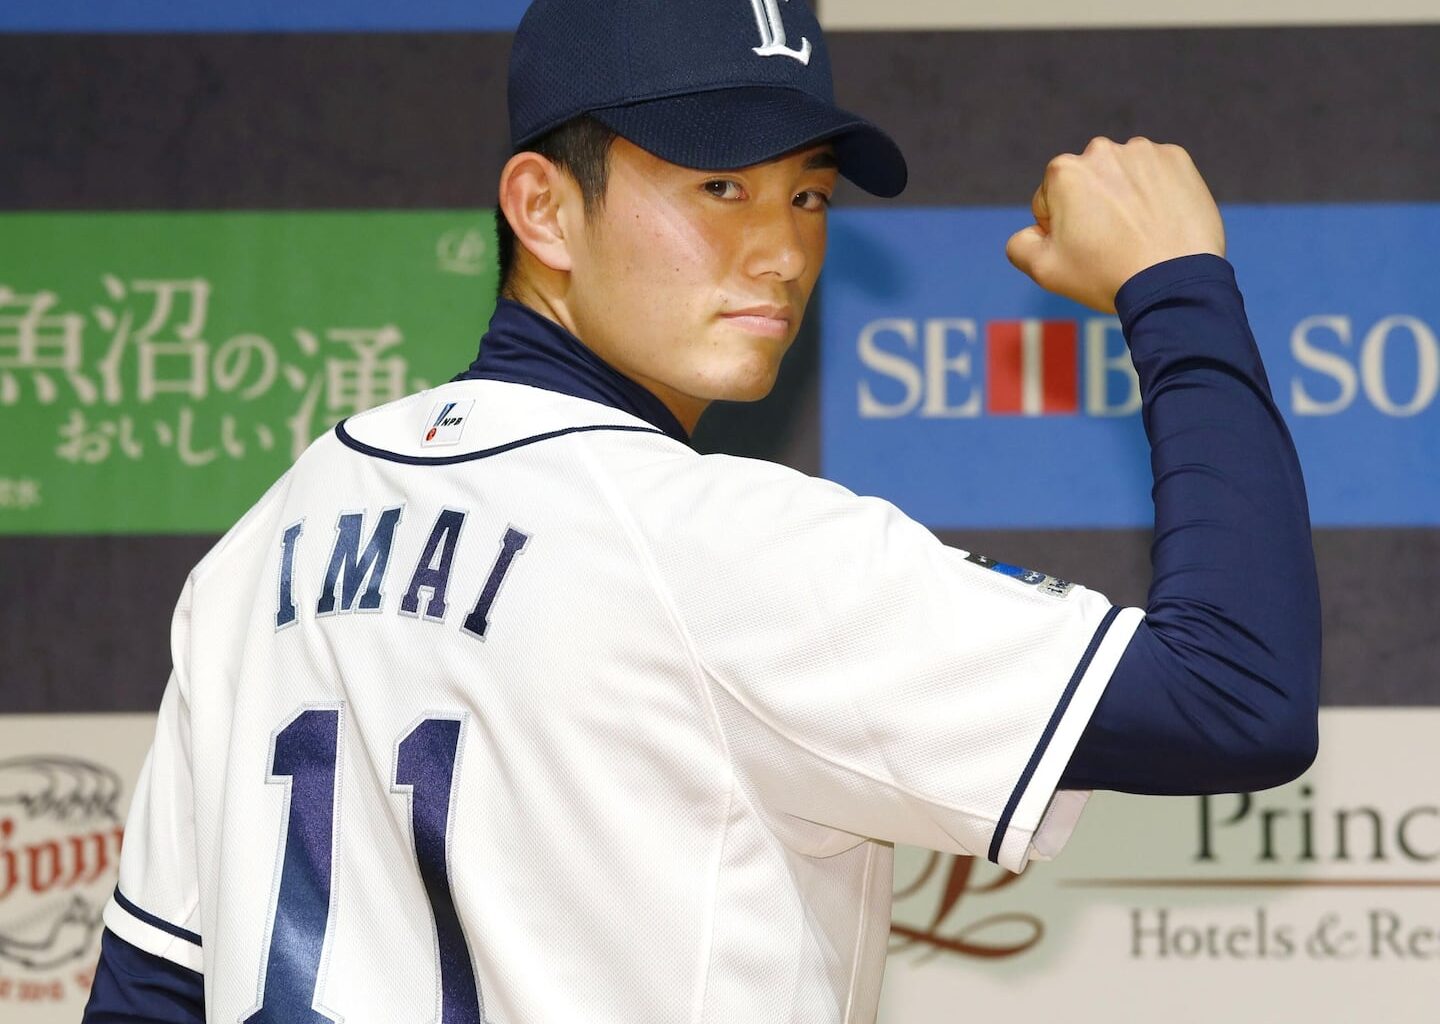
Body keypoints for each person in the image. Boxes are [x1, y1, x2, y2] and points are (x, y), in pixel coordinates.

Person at [82, 1, 1320, 1022]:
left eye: (808, 196)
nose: (780, 250)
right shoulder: (717, 544)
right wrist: (1178, 288)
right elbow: (1238, 696)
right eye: (720, 184)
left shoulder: (264, 541)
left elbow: (147, 996)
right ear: (543, 207)